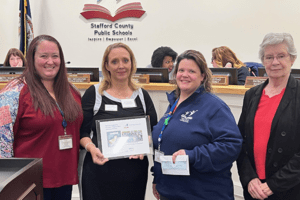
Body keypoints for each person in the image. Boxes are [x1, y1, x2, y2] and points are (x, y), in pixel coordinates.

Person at [0, 35, 83, 200]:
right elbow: (2, 140)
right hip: (29, 183)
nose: (50, 61)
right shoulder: (13, 92)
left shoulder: (71, 91)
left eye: (55, 56)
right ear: (32, 58)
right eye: (43, 56)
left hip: (65, 178)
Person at [151, 50, 242, 200]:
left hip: (203, 193)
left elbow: (231, 145)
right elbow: (163, 142)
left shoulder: (214, 107)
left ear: (203, 76)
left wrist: (191, 155)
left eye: (191, 71)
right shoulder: (174, 103)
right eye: (181, 70)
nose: (184, 75)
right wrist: (158, 178)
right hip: (171, 192)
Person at [79, 42, 157, 200]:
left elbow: (153, 131)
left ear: (132, 63)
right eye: (114, 61)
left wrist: (144, 145)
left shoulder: (142, 95)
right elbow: (82, 132)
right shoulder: (94, 93)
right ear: (106, 65)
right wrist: (92, 149)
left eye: (125, 60)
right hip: (98, 171)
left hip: (134, 173)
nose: (121, 66)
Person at [237, 33, 300, 200]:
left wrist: (273, 185)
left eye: (281, 56)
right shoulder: (251, 95)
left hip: (289, 189)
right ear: (263, 61)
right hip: (254, 189)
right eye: (269, 57)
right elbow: (240, 140)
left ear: (292, 58)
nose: (275, 62)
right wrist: (249, 178)